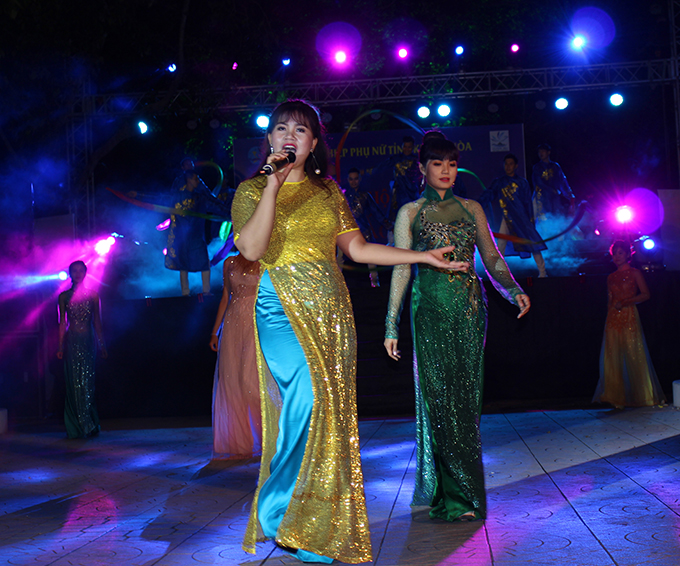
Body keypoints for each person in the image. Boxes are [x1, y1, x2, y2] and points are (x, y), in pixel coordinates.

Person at [231, 99, 466, 564]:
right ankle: (280, 513)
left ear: (313, 143)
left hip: (332, 311)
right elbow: (254, 248)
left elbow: (357, 250)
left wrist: (420, 256)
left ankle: (311, 519)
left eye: (300, 131)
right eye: (281, 129)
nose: (289, 137)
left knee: (331, 413)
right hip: (280, 308)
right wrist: (272, 186)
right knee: (306, 403)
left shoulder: (328, 192)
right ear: (271, 140)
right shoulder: (250, 190)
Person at [384, 136, 530, 523]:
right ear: (422, 168)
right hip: (428, 309)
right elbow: (401, 267)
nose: (446, 170)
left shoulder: (472, 208)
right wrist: (390, 323)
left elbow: (492, 257)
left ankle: (463, 492)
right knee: (439, 398)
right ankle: (453, 493)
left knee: (465, 400)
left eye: (451, 163)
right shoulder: (410, 213)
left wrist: (512, 288)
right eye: (437, 164)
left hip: (469, 308)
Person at [592, 241, 665, 408]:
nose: (616, 257)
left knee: (633, 353)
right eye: (614, 253)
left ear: (627, 255)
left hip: (629, 315)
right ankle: (615, 397)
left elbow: (645, 295)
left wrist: (626, 302)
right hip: (613, 318)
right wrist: (609, 318)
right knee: (613, 355)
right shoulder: (611, 277)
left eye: (620, 253)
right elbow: (609, 300)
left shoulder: (635, 273)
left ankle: (641, 395)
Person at [209, 254, 262, 459]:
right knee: (233, 381)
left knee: (252, 380)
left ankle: (270, 436)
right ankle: (240, 441)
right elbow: (225, 297)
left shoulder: (264, 260)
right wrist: (215, 331)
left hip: (257, 320)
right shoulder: (229, 263)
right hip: (233, 322)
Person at [57, 260, 107, 439]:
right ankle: (75, 427)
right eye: (74, 271)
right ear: (70, 273)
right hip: (72, 342)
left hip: (87, 341)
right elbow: (62, 323)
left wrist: (102, 344)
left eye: (80, 270)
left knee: (87, 382)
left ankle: (89, 424)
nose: (77, 273)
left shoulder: (93, 295)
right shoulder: (63, 297)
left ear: (85, 273)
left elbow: (97, 321)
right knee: (73, 384)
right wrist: (60, 345)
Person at [480, 153, 548, 277]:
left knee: (532, 242)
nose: (508, 166)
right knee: (501, 243)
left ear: (516, 166)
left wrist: (530, 221)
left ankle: (542, 272)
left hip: (521, 218)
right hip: (507, 217)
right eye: (506, 164)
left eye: (511, 164)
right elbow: (489, 194)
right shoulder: (499, 182)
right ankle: (498, 272)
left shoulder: (522, 182)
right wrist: (477, 205)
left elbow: (527, 202)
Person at [165, 169, 231, 296]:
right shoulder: (176, 197)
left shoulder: (200, 198)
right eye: (196, 179)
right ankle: (185, 293)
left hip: (196, 237)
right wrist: (137, 196)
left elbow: (216, 206)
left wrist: (231, 214)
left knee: (204, 263)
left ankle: (206, 291)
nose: (198, 181)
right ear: (189, 180)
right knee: (182, 265)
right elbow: (158, 198)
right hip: (181, 238)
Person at [342, 167, 393, 287]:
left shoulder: (365, 195)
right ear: (348, 180)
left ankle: (375, 282)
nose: (353, 182)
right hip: (346, 231)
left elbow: (377, 213)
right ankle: (339, 285)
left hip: (363, 230)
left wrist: (389, 225)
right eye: (351, 179)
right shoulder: (343, 196)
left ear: (360, 179)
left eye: (356, 179)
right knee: (340, 258)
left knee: (370, 257)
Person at [531, 143, 576, 221]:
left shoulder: (555, 166)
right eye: (539, 152)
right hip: (542, 198)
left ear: (548, 152)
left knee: (557, 216)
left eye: (543, 151)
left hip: (554, 198)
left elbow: (562, 180)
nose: (541, 153)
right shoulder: (537, 167)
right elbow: (538, 183)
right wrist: (552, 190)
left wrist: (568, 193)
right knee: (544, 218)